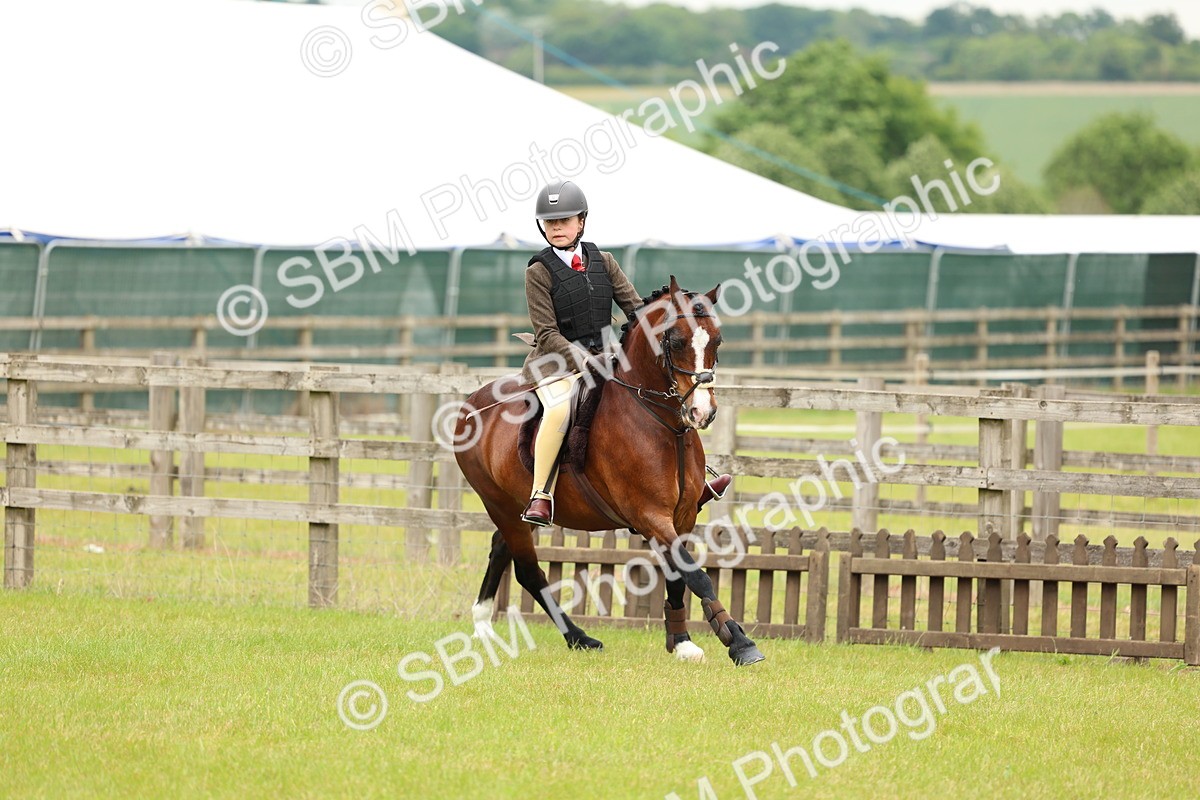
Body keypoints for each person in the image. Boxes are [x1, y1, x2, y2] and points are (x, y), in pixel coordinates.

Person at [519, 180, 732, 526]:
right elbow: (546, 333)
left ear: (581, 222)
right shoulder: (538, 272)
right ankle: (540, 494)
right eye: (550, 222)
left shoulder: (604, 261)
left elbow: (636, 310)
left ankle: (697, 479)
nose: (557, 227)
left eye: (565, 220)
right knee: (558, 411)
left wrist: (671, 324)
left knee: (666, 397)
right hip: (556, 364)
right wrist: (584, 360)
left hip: (607, 359)